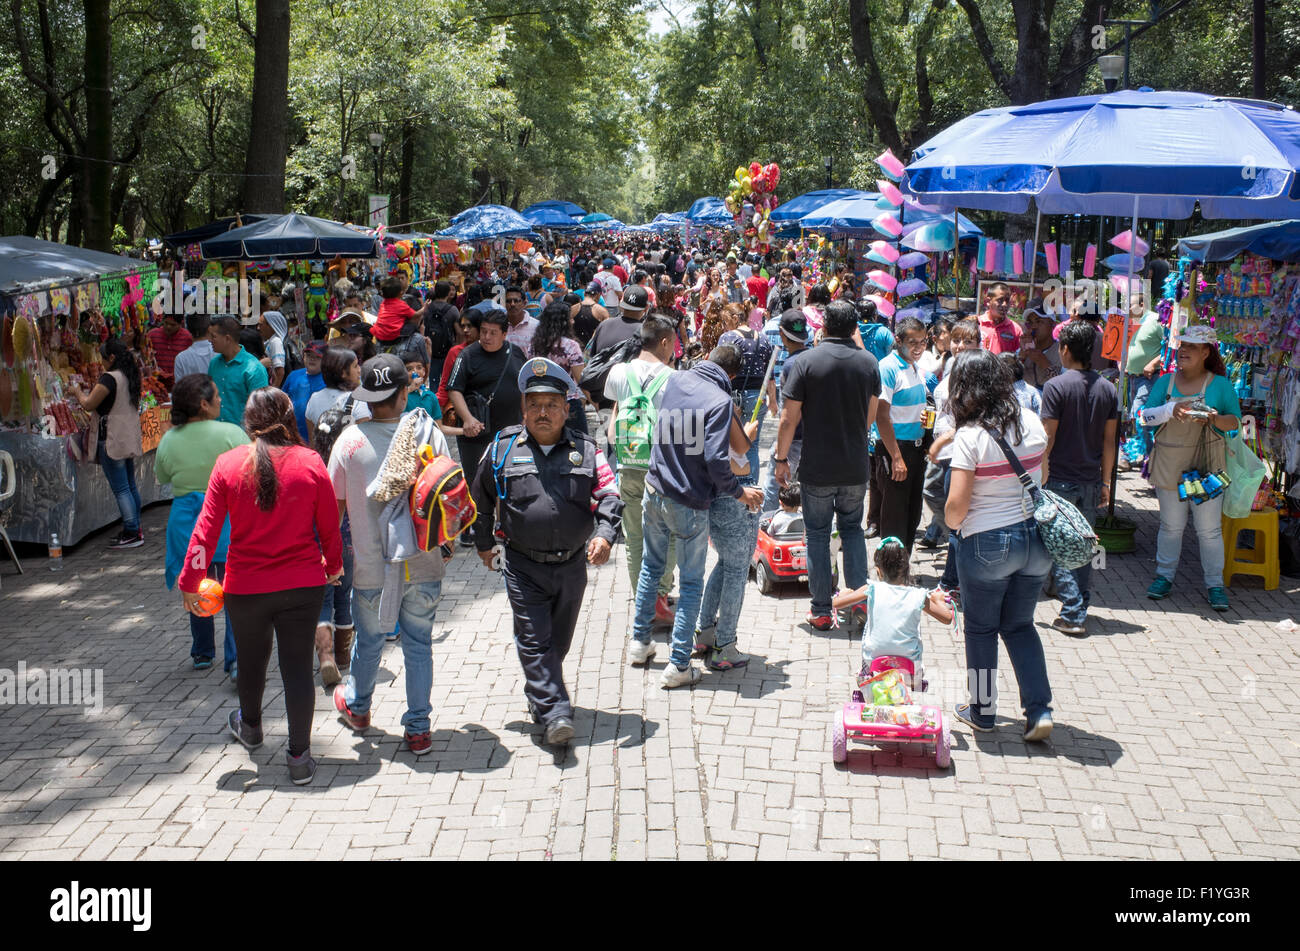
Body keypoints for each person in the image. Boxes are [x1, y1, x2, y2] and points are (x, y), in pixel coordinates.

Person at [179, 388, 343, 785]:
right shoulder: (310, 462)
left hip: (245, 588)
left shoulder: (228, 464)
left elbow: (205, 531)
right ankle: (299, 758)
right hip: (303, 584)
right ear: (288, 418)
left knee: (251, 663)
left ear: (249, 422)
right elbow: (329, 527)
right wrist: (334, 567)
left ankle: (250, 727)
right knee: (296, 669)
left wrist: (189, 581)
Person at [468, 358, 622, 746]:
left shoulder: (587, 450)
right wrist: (484, 542)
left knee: (559, 642)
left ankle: (540, 691)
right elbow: (480, 499)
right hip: (522, 566)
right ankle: (555, 713)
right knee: (535, 640)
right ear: (523, 408)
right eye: (534, 404)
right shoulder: (502, 449)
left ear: (566, 409)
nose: (542, 412)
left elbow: (609, 494)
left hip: (572, 566)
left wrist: (605, 534)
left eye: (551, 404)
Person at [330, 355, 452, 755]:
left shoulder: (349, 442)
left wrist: (330, 560)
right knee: (418, 643)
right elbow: (447, 492)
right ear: (403, 394)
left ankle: (358, 708)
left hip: (370, 567)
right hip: (423, 561)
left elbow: (333, 509)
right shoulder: (427, 432)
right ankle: (418, 728)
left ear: (366, 397)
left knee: (369, 640)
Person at [627, 345, 764, 684]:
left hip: (654, 488)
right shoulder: (720, 402)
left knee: (651, 567)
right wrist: (741, 493)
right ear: (730, 376)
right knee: (690, 583)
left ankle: (640, 643)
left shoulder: (675, 380)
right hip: (686, 499)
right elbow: (718, 461)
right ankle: (679, 665)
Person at [943, 348, 1054, 742]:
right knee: (1020, 625)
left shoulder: (969, 436)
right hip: (1036, 540)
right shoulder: (1031, 421)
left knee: (981, 628)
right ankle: (1039, 710)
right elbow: (1043, 476)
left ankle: (982, 711)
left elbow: (956, 507)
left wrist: (951, 525)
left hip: (988, 543)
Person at [774, 300, 880, 630]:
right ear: (854, 328)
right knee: (852, 531)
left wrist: (780, 459)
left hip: (817, 466)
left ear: (823, 327)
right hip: (854, 465)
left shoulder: (806, 362)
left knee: (818, 535)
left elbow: (788, 419)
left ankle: (821, 610)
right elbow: (871, 416)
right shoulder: (869, 363)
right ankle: (858, 604)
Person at [1141, 324, 1241, 610]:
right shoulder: (1165, 382)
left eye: (1191, 347)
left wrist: (1213, 418)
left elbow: (1234, 422)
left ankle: (1215, 585)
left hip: (1206, 467)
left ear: (1206, 352)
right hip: (1170, 464)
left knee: (1209, 530)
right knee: (1171, 526)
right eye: (1182, 345)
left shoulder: (1220, 386)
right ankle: (1164, 576)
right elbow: (1144, 417)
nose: (1183, 350)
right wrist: (1169, 410)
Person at [155, 375, 248, 675]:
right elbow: (251, 470)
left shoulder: (169, 439)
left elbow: (162, 476)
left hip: (187, 524)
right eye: (216, 395)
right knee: (234, 590)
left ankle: (203, 652)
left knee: (197, 585)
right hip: (227, 521)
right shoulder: (231, 433)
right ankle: (235, 658)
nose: (221, 399)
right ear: (204, 404)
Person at [1040, 320, 1118, 636]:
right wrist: (1106, 482)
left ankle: (1072, 613)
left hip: (1059, 478)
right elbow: (1110, 442)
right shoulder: (1108, 389)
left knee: (1061, 545)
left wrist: (1041, 475)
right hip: (1090, 480)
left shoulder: (1056, 386)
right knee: (1083, 546)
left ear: (1065, 349)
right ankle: (1078, 605)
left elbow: (1047, 437)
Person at [605, 313, 678, 623]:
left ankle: (643, 599)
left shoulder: (618, 372)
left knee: (634, 536)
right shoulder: (674, 378)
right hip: (662, 469)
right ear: (664, 342)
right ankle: (659, 596)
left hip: (628, 464)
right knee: (669, 534)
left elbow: (615, 412)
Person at [832, 537, 954, 685]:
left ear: (878, 571)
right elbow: (947, 618)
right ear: (906, 569)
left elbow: (836, 603)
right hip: (910, 670)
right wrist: (939, 600)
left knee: (867, 663)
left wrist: (843, 594)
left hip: (873, 666)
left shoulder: (871, 589)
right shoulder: (918, 595)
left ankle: (865, 680)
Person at [447, 308, 527, 522]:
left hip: (509, 433)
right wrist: (468, 418)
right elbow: (454, 389)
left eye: (493, 333)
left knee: (508, 480)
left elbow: (523, 387)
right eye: (483, 331)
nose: (486, 337)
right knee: (477, 482)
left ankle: (504, 525)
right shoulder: (467, 355)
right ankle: (476, 526)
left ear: (504, 334)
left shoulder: (516, 353)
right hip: (476, 434)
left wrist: (526, 417)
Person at [68, 338, 145, 550]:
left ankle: (131, 532)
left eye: (103, 358)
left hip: (111, 439)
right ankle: (136, 528)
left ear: (111, 358)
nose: (101, 362)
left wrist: (76, 391)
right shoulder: (130, 374)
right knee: (129, 486)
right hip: (125, 438)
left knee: (121, 489)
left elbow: (88, 404)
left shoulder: (109, 378)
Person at [919, 318, 980, 571]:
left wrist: (943, 438)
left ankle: (953, 576)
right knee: (936, 496)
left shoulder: (975, 372)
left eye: (968, 341)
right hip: (945, 449)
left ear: (978, 345)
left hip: (959, 452)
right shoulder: (953, 365)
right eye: (956, 340)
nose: (960, 346)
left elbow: (973, 418)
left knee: (954, 512)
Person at [873, 317, 931, 552]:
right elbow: (881, 416)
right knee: (894, 518)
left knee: (912, 514)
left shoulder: (914, 366)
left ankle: (903, 565)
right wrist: (896, 457)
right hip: (896, 449)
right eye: (912, 342)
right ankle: (890, 567)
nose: (919, 347)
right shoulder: (887, 367)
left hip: (916, 449)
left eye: (923, 341)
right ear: (898, 340)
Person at [760, 309, 811, 513]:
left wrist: (781, 457)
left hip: (794, 438)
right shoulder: (814, 359)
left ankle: (768, 521)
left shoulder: (790, 366)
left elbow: (789, 418)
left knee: (775, 485)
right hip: (814, 438)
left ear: (782, 333)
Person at [718, 306, 775, 479]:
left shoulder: (728, 338)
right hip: (757, 396)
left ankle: (735, 484)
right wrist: (773, 400)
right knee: (752, 444)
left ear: (734, 318)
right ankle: (752, 483)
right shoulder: (763, 338)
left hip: (733, 395)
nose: (724, 326)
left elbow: (720, 369)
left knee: (732, 443)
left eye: (725, 321)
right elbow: (770, 374)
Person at [527, 301, 587, 433]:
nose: (573, 321)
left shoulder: (534, 345)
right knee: (578, 442)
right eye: (570, 318)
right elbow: (581, 379)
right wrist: (595, 402)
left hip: (540, 401)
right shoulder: (571, 346)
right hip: (567, 403)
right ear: (563, 322)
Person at [207, 315, 270, 427]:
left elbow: (261, 408)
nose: (209, 340)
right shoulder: (214, 364)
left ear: (227, 339)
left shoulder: (253, 368)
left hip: (242, 434)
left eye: (213, 337)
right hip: (216, 432)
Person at [305, 346, 371, 439]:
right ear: (343, 373)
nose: (359, 370)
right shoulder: (357, 401)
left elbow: (313, 441)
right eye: (355, 366)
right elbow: (365, 440)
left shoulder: (314, 399)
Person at [437, 309, 482, 419]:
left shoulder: (488, 351)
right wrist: (439, 410)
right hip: (460, 410)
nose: (465, 330)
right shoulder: (455, 352)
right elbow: (445, 383)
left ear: (479, 327)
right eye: (463, 326)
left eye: (469, 326)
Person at [283, 339, 327, 440]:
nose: (312, 359)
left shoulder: (328, 379)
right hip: (293, 434)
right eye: (309, 355)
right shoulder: (293, 375)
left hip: (318, 435)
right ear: (303, 356)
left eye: (317, 357)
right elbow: (283, 400)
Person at [587, 285, 648, 356]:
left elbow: (587, 355)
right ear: (646, 308)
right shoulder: (646, 332)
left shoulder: (604, 325)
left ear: (621, 304)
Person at [371, 275, 429, 347]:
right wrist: (425, 307)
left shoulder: (383, 304)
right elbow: (416, 315)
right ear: (401, 293)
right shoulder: (400, 305)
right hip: (392, 338)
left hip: (380, 337)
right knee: (413, 325)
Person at [1018, 300, 1061, 389]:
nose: (1033, 326)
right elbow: (1010, 380)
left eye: (1039, 321)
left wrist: (1045, 364)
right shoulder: (1024, 349)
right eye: (1030, 323)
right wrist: (1022, 356)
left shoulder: (1063, 352)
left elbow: (1064, 387)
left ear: (1053, 324)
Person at [147, 313, 193, 389]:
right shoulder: (152, 335)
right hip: (156, 385)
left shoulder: (188, 338)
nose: (168, 327)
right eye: (166, 323)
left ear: (180, 324)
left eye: (173, 325)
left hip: (179, 385)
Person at [977, 282, 1022, 355]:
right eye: (1000, 300)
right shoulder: (977, 324)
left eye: (1007, 300)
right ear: (988, 301)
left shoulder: (1016, 329)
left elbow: (1019, 356)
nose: (1004, 304)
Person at [171, 314, 215, 386]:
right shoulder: (219, 352)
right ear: (209, 328)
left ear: (187, 329)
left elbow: (179, 387)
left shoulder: (181, 358)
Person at [258, 307, 291, 388]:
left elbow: (280, 372)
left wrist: (273, 391)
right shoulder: (271, 341)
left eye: (261, 324)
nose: (258, 328)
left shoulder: (275, 342)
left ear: (271, 326)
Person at [571, 281, 608, 349]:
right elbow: (606, 333)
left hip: (576, 348)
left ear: (584, 293)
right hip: (593, 350)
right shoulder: (602, 311)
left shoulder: (573, 309)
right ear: (598, 295)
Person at [503, 285, 540, 350]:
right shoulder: (499, 324)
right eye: (508, 301)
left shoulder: (536, 326)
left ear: (524, 303)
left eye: (516, 301)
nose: (512, 304)